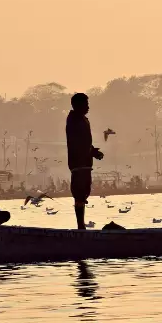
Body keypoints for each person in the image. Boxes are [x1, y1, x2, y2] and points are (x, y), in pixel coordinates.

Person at [66, 93, 104, 229]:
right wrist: (92, 152)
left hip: (85, 162)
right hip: (78, 162)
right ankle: (80, 226)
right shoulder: (74, 120)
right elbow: (78, 143)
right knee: (80, 194)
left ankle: (81, 226)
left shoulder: (82, 120)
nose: (88, 107)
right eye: (85, 104)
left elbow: (85, 142)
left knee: (84, 192)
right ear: (77, 105)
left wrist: (93, 151)